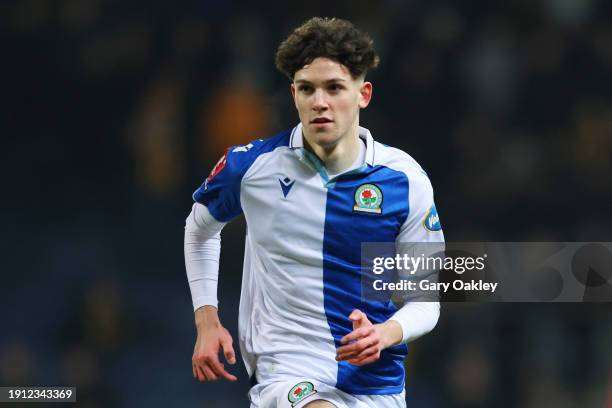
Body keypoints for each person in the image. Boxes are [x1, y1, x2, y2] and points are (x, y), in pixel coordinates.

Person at [184, 17, 444, 408]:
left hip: (376, 384)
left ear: (364, 94)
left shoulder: (405, 181)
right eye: (307, 89)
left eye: (334, 87)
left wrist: (385, 333)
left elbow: (426, 300)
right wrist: (207, 319)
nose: (319, 101)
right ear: (293, 94)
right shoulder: (251, 168)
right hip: (288, 371)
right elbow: (200, 228)